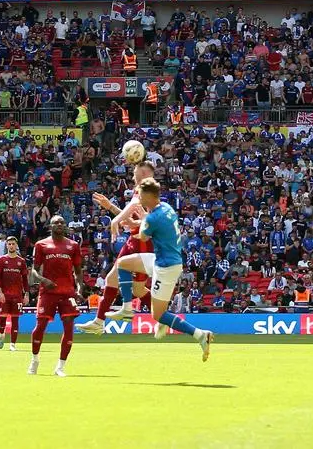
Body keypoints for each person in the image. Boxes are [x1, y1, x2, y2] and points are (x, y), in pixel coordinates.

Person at [109, 178, 214, 360]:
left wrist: (137, 221)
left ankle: (200, 334)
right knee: (123, 263)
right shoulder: (167, 208)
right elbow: (148, 228)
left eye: (141, 196)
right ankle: (127, 308)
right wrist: (139, 221)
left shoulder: (152, 217)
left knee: (158, 314)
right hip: (161, 259)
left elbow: (142, 237)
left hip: (166, 268)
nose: (139, 199)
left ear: (149, 196)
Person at [77, 160, 155, 334]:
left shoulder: (146, 191)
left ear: (143, 173)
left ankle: (162, 316)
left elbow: (135, 213)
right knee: (111, 280)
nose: (133, 174)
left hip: (142, 244)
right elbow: (129, 217)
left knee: (138, 289)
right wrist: (110, 207)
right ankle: (98, 321)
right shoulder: (140, 190)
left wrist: (115, 218)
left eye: (135, 171)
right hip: (132, 242)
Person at [29, 216, 83, 377]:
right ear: (50, 226)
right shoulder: (41, 245)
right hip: (48, 292)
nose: (59, 225)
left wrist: (79, 288)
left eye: (62, 223)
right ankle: (35, 359)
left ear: (65, 226)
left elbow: (78, 271)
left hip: (67, 293)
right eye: (56, 223)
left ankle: (60, 366)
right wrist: (43, 280)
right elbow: (33, 270)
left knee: (68, 328)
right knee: (40, 326)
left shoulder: (73, 245)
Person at [0, 236, 27, 352]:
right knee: (2, 317)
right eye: (9, 244)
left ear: (16, 245)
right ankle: (2, 334)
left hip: (17, 295)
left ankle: (13, 344)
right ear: (7, 245)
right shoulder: (2, 260)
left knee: (15, 319)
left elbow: (25, 279)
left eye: (13, 244)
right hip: (5, 294)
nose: (11, 246)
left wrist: (26, 294)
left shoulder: (21, 261)